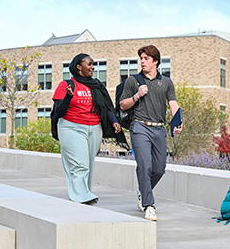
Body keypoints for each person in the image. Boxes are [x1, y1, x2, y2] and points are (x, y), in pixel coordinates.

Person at [52, 53, 127, 205]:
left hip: (94, 128)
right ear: (79, 67)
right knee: (80, 164)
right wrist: (68, 97)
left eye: (93, 64)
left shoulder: (97, 85)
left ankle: (83, 194)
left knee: (88, 165)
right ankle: (81, 196)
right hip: (71, 127)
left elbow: (106, 107)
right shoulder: (66, 85)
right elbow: (58, 112)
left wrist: (114, 122)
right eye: (89, 64)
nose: (93, 67)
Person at [119, 45, 182, 221]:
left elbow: (173, 105)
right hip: (139, 127)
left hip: (159, 128)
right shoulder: (133, 81)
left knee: (159, 169)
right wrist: (137, 96)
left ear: (155, 62)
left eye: (146, 59)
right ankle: (149, 205)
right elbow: (122, 105)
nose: (142, 62)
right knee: (144, 166)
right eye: (141, 58)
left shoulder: (167, 82)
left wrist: (178, 123)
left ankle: (143, 191)